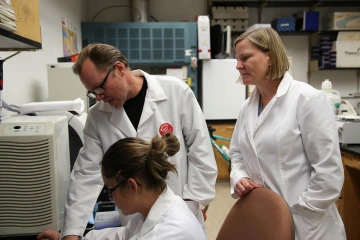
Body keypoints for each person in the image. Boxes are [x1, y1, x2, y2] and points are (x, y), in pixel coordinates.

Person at [59, 43, 217, 239]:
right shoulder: (97, 116)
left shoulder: (175, 92)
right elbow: (85, 174)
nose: (99, 98)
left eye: (100, 88)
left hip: (179, 209)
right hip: (134, 217)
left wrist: (194, 203)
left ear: (118, 69)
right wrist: (71, 233)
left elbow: (200, 151)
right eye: (93, 92)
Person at [229, 27, 346, 240]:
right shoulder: (246, 108)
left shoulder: (307, 99)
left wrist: (300, 213)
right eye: (237, 59)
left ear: (270, 57)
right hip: (265, 219)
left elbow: (328, 173)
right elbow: (237, 154)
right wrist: (240, 177)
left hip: (309, 224)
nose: (238, 66)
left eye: (245, 57)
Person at [38, 133, 207, 240]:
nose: (110, 197)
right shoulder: (159, 208)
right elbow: (122, 236)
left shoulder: (164, 233)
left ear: (131, 186)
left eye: (110, 189)